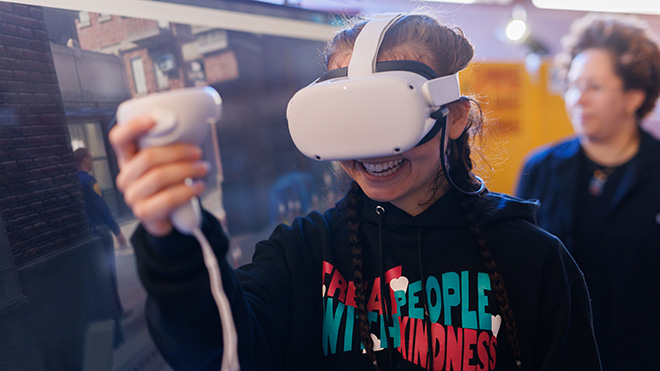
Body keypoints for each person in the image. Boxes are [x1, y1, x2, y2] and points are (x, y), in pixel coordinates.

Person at [110, 13, 601, 370]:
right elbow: (217, 349)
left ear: (453, 117)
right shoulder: (305, 253)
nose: (370, 151)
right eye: (348, 122)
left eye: (387, 117)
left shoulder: (531, 259)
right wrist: (171, 236)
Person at [516, 13, 660, 371]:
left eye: (593, 87)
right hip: (559, 357)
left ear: (633, 96)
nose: (577, 99)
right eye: (573, 85)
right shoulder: (540, 167)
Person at [74, 147, 129, 342]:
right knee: (109, 272)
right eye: (89, 158)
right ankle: (117, 310)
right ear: (84, 160)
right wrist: (117, 231)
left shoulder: (73, 182)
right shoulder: (89, 182)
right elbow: (102, 208)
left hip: (87, 235)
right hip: (100, 232)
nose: (91, 161)